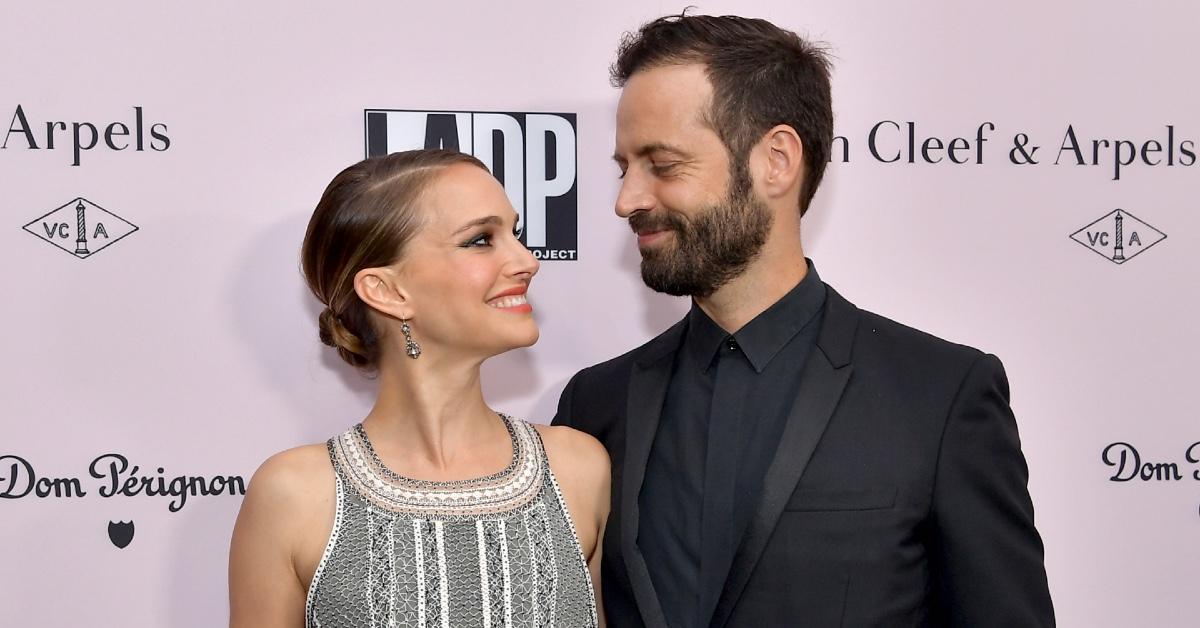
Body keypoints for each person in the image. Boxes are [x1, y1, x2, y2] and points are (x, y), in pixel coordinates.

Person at [552, 14, 1055, 627]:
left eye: (662, 164)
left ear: (777, 160)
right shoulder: (594, 406)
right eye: (623, 167)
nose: (627, 199)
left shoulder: (940, 397)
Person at [229, 149, 609, 628]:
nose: (527, 260)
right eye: (480, 240)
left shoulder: (578, 469)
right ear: (387, 291)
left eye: (517, 234)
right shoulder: (294, 495)